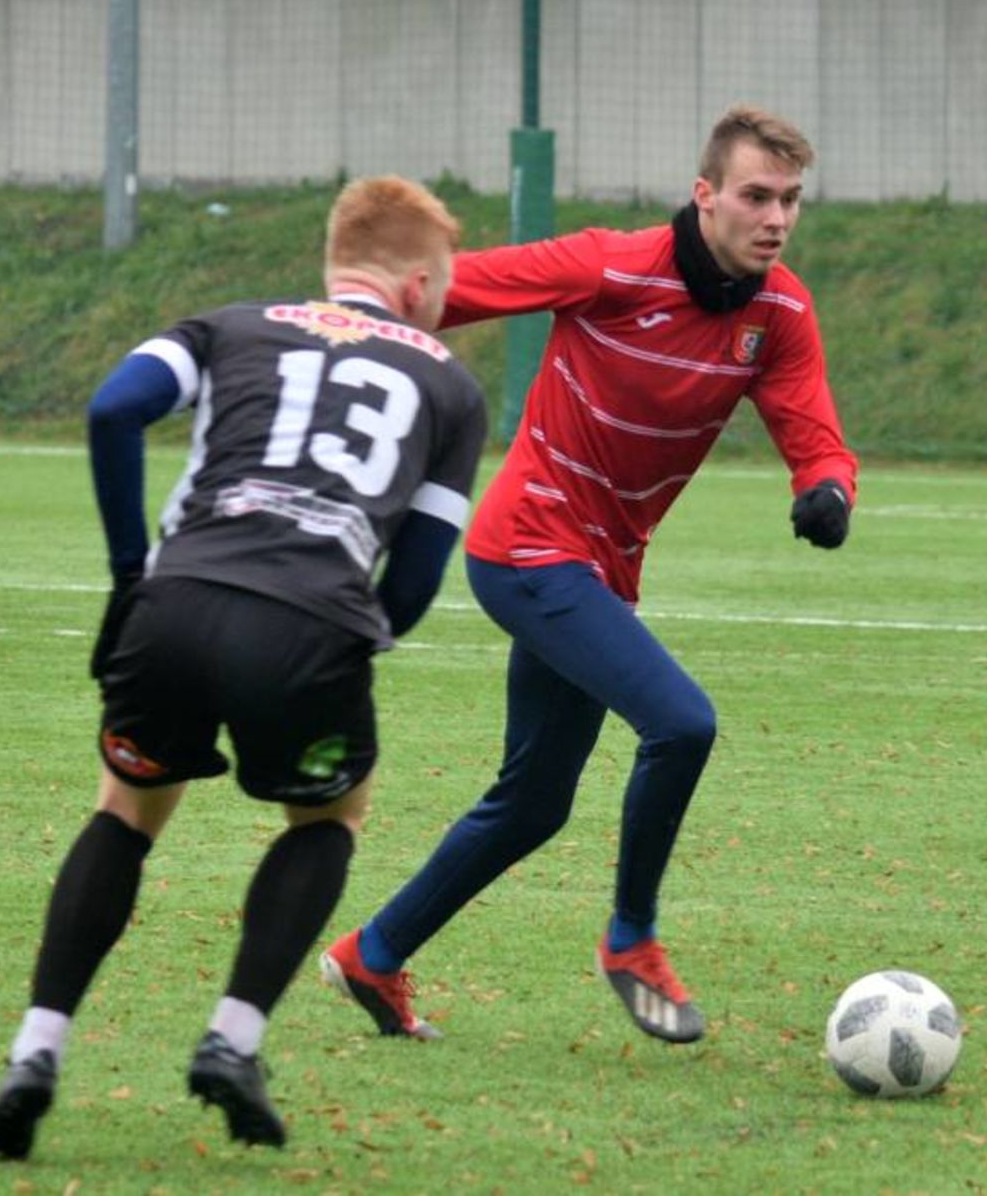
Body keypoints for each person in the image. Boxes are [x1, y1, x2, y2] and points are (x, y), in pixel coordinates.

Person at [320, 105, 857, 1046]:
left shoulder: (778, 312)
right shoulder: (610, 265)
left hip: (599, 571)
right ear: (705, 197)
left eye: (790, 200)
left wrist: (825, 489)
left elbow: (811, 429)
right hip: (527, 547)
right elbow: (454, 287)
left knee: (533, 802)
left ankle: (375, 951)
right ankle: (631, 941)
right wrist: (353, 320)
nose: (775, 217)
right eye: (755, 196)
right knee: (683, 723)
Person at [0, 176, 487, 1157]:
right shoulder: (450, 386)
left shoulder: (225, 325)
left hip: (175, 605)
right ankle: (232, 1039)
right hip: (312, 625)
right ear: (417, 282)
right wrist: (356, 637)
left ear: (334, 262)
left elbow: (113, 409)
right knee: (330, 815)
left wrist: (133, 575)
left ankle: (34, 1052)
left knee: (125, 809)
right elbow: (417, 575)